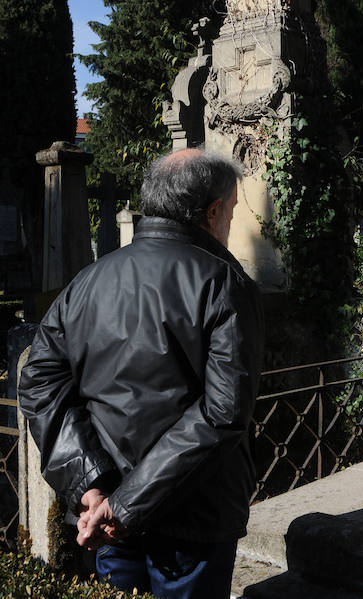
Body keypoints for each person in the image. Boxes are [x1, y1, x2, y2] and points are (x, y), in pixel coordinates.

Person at [18, 148, 264, 599]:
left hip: (109, 517)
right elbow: (225, 412)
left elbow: (37, 381)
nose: (230, 222)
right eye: (231, 210)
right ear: (212, 212)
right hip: (191, 521)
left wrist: (91, 485)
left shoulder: (88, 280)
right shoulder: (223, 282)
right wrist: (116, 503)